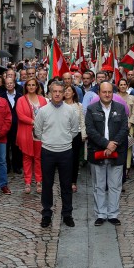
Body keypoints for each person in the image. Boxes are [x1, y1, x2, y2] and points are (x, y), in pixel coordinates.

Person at [33, 81, 80, 227]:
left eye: (60, 91)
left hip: (66, 152)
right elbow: (37, 130)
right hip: (48, 152)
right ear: (50, 93)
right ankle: (46, 214)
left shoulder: (71, 110)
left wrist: (64, 139)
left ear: (64, 93)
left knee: (66, 185)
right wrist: (49, 140)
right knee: (47, 184)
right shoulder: (43, 111)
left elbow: (75, 130)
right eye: (55, 91)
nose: (58, 94)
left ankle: (67, 214)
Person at [85, 82, 129, 226]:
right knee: (99, 185)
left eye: (109, 92)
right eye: (104, 92)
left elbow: (124, 129)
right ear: (99, 93)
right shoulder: (91, 109)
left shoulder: (120, 108)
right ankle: (101, 214)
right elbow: (90, 130)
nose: (107, 94)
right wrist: (106, 144)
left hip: (117, 152)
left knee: (115, 185)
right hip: (97, 151)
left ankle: (113, 214)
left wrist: (113, 144)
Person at [15, 78, 47, 193]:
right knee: (27, 157)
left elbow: (46, 114)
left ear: (37, 86)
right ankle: (27, 182)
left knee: (38, 157)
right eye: (29, 85)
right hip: (26, 132)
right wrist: (34, 122)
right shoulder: (21, 100)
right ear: (26, 87)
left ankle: (38, 181)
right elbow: (20, 115)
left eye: (33, 85)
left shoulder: (42, 100)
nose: (31, 87)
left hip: (39, 133)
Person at [61, 83, 85, 193]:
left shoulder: (79, 106)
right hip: (63, 135)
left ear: (73, 93)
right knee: (64, 159)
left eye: (69, 90)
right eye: (65, 90)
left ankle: (73, 181)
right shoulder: (60, 105)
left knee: (74, 159)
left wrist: (83, 134)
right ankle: (65, 181)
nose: (66, 92)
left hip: (76, 135)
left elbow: (82, 121)